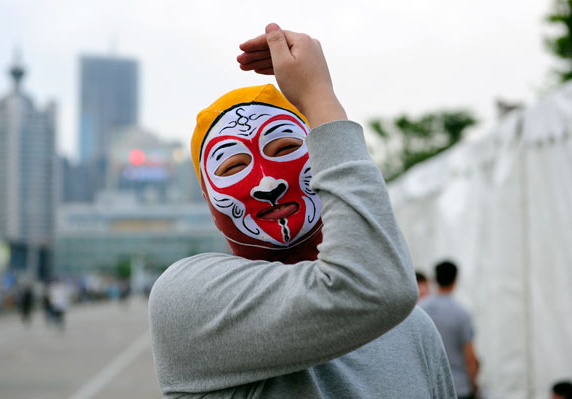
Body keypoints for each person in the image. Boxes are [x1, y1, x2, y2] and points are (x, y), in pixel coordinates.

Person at [149, 23, 455, 398]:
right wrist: (318, 96)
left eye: (283, 148)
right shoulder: (188, 301)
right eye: (232, 167)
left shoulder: (413, 329)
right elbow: (371, 286)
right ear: (209, 196)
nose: (267, 183)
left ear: (321, 158)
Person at [420, 261, 478, 399]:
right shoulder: (461, 313)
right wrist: (474, 385)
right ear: (455, 281)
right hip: (459, 387)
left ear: (435, 280)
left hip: (430, 387)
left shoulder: (421, 310)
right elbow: (469, 356)